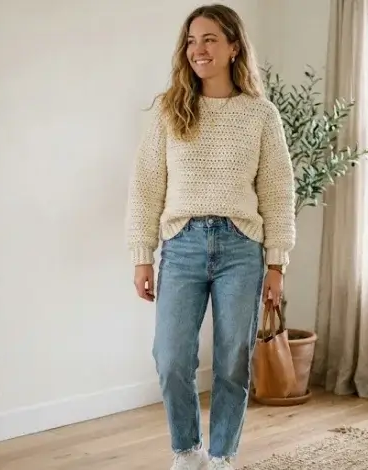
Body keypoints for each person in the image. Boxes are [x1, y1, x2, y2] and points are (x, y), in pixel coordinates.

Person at [125, 4, 295, 469]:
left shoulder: (260, 115)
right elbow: (145, 186)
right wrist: (142, 256)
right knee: (172, 357)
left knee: (232, 361)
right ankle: (186, 451)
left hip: (242, 248)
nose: (198, 50)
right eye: (192, 41)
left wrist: (277, 264)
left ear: (234, 47)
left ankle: (221, 457)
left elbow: (278, 193)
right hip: (181, 246)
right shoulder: (169, 110)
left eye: (210, 40)